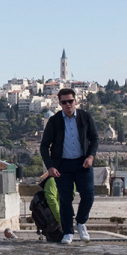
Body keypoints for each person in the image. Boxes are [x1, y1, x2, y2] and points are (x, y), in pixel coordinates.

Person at [40, 87, 100, 244]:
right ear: (60, 103)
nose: (68, 105)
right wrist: (50, 167)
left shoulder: (85, 117)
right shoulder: (54, 121)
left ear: (76, 101)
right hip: (63, 165)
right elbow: (44, 146)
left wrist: (91, 156)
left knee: (88, 195)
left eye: (70, 101)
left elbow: (94, 138)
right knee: (65, 199)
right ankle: (68, 232)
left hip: (83, 163)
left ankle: (80, 222)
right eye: (64, 102)